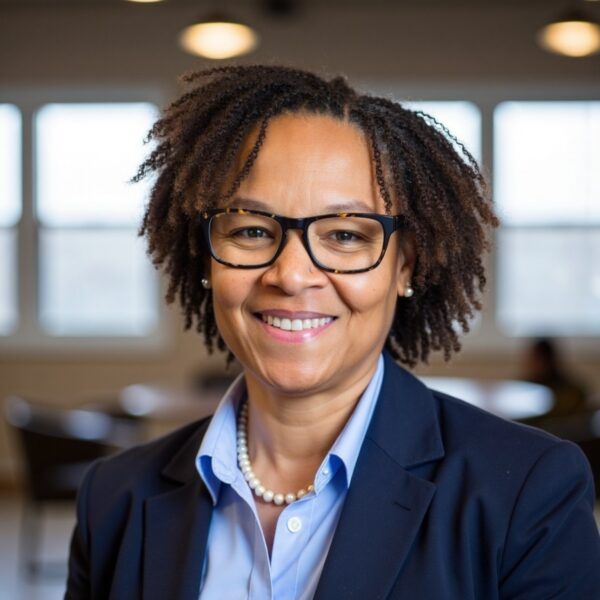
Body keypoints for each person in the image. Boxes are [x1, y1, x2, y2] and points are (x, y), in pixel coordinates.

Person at [65, 65, 600, 599]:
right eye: (251, 229)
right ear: (207, 258)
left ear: (405, 267)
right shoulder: (114, 499)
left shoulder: (528, 491)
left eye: (345, 234)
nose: (292, 275)